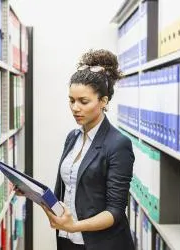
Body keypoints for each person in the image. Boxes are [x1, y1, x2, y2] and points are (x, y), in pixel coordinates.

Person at [16, 49, 135, 250]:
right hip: (68, 240)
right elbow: (66, 191)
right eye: (71, 100)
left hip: (101, 244)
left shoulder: (118, 144)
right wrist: (31, 192)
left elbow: (115, 211)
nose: (75, 108)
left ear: (103, 102)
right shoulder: (73, 137)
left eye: (83, 101)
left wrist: (74, 226)